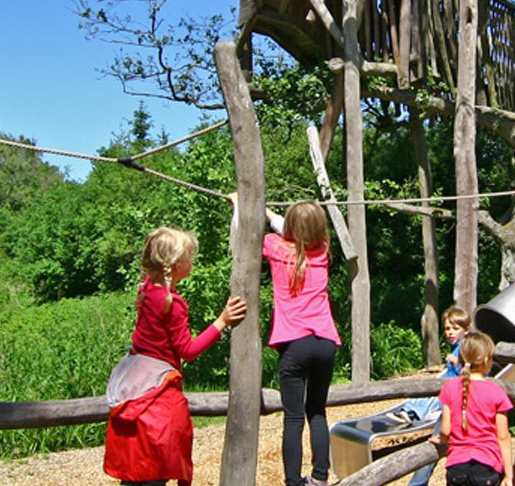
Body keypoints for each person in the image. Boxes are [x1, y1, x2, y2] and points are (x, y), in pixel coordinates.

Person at [104, 228, 248, 486]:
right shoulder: (173, 303)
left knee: (135, 468)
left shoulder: (147, 289)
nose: (192, 260)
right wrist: (222, 321)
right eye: (190, 255)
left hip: (134, 378)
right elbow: (188, 351)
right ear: (177, 264)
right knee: (158, 462)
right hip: (157, 387)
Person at [261, 200, 341, 486]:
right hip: (325, 342)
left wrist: (247, 207)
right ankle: (320, 478)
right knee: (317, 411)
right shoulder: (323, 252)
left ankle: (294, 482)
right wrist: (268, 211)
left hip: (294, 344)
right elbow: (290, 228)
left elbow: (279, 230)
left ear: (291, 228)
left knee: (293, 418)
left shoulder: (274, 246)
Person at [377, 306, 470, 486]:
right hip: (445, 391)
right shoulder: (456, 347)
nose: (450, 333)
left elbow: (468, 372)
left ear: (465, 329)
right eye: (447, 329)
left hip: (450, 399)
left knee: (435, 442)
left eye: (455, 329)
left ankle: (413, 413)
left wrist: (458, 365)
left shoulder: (466, 347)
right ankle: (410, 410)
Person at [436, 331, 515, 486]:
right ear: (486, 359)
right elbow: (503, 437)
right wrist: (509, 474)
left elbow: (445, 430)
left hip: (456, 466)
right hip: (487, 465)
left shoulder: (449, 387)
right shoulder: (496, 392)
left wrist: (441, 440)